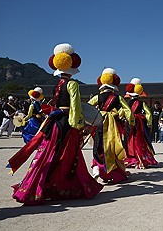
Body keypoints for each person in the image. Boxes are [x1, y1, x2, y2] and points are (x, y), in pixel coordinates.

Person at [8, 43, 102, 205]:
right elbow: (75, 106)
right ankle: (66, 186)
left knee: (50, 151)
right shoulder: (72, 84)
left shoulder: (57, 84)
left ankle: (39, 186)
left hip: (54, 121)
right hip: (67, 121)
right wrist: (79, 124)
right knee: (68, 154)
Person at [89, 68, 134, 183]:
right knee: (112, 146)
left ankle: (97, 167)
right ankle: (112, 171)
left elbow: (88, 107)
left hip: (99, 122)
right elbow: (128, 110)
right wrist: (131, 121)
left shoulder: (97, 97)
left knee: (98, 145)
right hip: (113, 124)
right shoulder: (118, 98)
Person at [124, 78, 158, 168]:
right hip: (139, 123)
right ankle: (141, 159)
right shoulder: (142, 103)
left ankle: (131, 158)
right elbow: (148, 114)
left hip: (129, 122)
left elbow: (123, 112)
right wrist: (149, 123)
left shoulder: (127, 103)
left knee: (129, 140)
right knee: (140, 140)